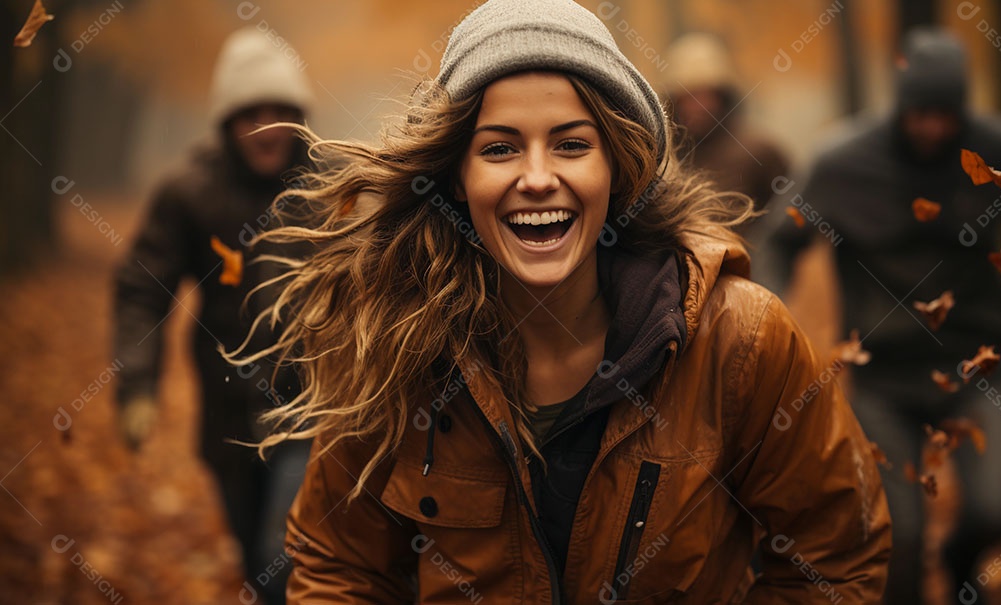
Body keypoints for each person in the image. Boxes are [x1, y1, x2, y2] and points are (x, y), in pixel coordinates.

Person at [242, 1, 890, 602]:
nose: (537, 177)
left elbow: (835, 555)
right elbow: (339, 566)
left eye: (571, 144)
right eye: (499, 148)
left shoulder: (741, 338)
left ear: (617, 165)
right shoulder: (397, 342)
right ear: (457, 179)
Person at [756, 28, 1001, 605]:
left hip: (977, 366)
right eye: (920, 113)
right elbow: (781, 241)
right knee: (902, 534)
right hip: (883, 375)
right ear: (901, 107)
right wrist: (768, 308)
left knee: (993, 509)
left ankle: (960, 567)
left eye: (944, 115)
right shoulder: (843, 162)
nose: (932, 128)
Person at [113, 27, 313, 605]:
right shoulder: (187, 192)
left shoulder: (331, 187)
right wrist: (137, 385)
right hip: (226, 414)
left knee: (286, 552)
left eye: (280, 111)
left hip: (313, 407)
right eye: (251, 113)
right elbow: (142, 288)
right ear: (227, 120)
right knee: (254, 554)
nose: (266, 127)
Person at [663, 32, 789, 237]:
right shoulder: (663, 158)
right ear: (674, 101)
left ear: (723, 96)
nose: (699, 107)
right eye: (689, 96)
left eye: (706, 95)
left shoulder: (759, 152)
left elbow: (792, 225)